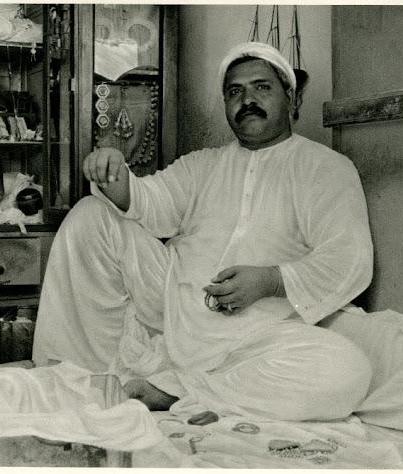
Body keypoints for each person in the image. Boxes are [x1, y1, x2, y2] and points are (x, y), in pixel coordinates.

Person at [32, 42, 374, 421]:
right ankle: (78, 377)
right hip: (174, 302)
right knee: (91, 215)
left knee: (345, 370)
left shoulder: (326, 169)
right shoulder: (204, 164)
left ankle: (178, 391)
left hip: (258, 330)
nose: (248, 100)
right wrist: (114, 175)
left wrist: (272, 280)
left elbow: (349, 260)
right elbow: (152, 202)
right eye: (235, 92)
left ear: (290, 98)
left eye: (262, 87)